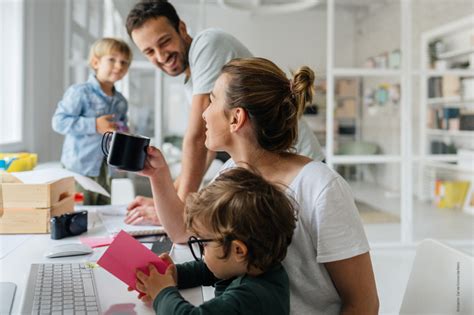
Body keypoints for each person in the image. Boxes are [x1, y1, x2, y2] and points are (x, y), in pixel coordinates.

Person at [135, 57, 379, 314]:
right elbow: (184, 233)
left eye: (213, 100)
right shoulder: (231, 173)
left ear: (236, 118)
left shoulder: (321, 187)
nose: (204, 112)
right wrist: (158, 176)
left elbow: (363, 304)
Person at [124, 0, 324, 225]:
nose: (161, 56)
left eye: (165, 42)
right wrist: (167, 201)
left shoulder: (207, 44)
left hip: (297, 164)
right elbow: (208, 146)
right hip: (274, 171)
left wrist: (178, 212)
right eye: (149, 51)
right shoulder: (192, 79)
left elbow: (197, 138)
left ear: (181, 28)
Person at [134, 167, 297, 314]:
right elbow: (210, 270)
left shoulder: (250, 298)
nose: (203, 252)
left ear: (238, 250)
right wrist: (175, 274)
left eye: (204, 244)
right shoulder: (256, 266)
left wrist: (163, 292)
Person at [52, 38, 132, 205]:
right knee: (80, 214)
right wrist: (94, 125)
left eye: (124, 62)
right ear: (96, 62)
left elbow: (121, 130)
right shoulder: (80, 92)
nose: (119, 66)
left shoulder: (121, 102)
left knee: (103, 214)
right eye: (112, 59)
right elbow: (59, 121)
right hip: (79, 169)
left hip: (106, 170)